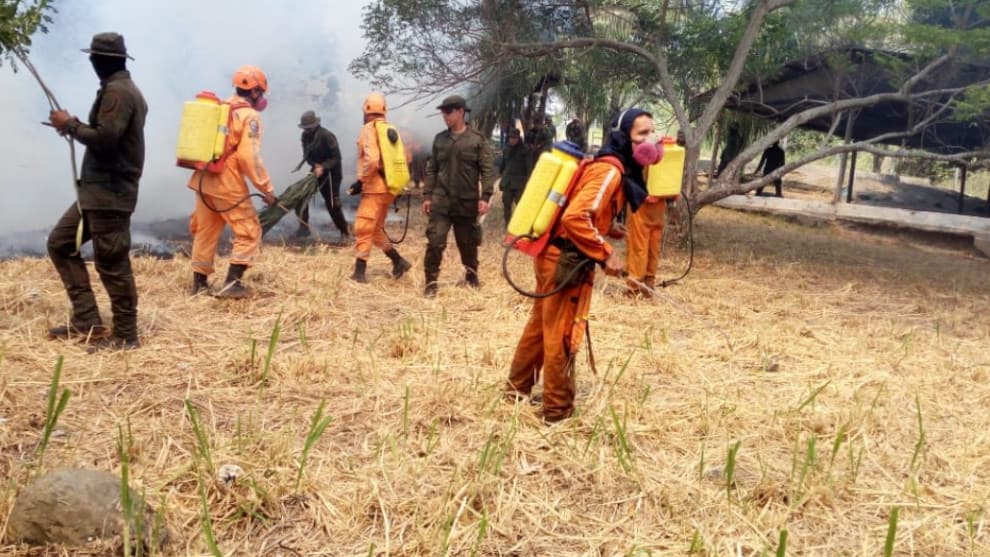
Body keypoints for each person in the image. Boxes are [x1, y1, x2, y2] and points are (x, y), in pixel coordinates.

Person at [506, 108, 655, 423]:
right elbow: (576, 217)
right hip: (564, 260)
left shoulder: (613, 168)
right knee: (562, 332)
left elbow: (583, 209)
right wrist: (605, 252)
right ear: (624, 136)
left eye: (651, 133)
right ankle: (557, 411)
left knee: (540, 326)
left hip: (554, 255)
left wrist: (607, 227)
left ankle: (515, 390)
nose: (650, 141)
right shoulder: (611, 170)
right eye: (642, 134)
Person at [47, 32, 148, 352]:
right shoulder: (120, 90)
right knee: (61, 244)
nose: (91, 62)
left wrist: (71, 125)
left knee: (112, 262)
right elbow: (105, 135)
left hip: (110, 194)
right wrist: (72, 125)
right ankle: (87, 317)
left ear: (101, 61)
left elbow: (106, 139)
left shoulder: (118, 92)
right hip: (96, 193)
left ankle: (126, 334)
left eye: (94, 58)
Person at [187, 65, 276, 298]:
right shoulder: (250, 116)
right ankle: (232, 284)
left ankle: (199, 284)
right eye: (261, 92)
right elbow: (249, 157)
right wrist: (266, 188)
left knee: (206, 231)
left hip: (203, 178)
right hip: (226, 181)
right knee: (249, 230)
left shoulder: (219, 107)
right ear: (255, 91)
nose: (262, 97)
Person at [422, 95, 495, 297]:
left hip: (466, 202)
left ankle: (471, 275)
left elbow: (488, 170)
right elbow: (432, 170)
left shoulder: (477, 140)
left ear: (461, 111)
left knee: (468, 244)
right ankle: (430, 282)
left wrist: (485, 197)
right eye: (443, 112)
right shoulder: (440, 140)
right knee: (435, 242)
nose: (445, 116)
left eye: (449, 111)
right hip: (441, 201)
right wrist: (428, 195)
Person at [350, 92, 413, 283]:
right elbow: (406, 158)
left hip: (374, 188)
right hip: (390, 188)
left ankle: (360, 272)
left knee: (363, 227)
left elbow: (372, 159)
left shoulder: (369, 129)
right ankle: (398, 261)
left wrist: (361, 180)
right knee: (375, 228)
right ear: (384, 110)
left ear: (366, 110)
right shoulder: (390, 129)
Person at [625, 130, 686, 297]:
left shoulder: (643, 152)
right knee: (653, 246)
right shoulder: (668, 150)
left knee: (639, 246)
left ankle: (634, 287)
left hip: (642, 204)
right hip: (660, 205)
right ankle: (649, 285)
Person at [296, 110, 349, 239]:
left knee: (332, 203)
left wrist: (323, 167)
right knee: (300, 197)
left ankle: (344, 231)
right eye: (305, 128)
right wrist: (315, 166)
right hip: (316, 170)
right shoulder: (304, 137)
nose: (306, 131)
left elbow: (336, 158)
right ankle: (304, 228)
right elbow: (306, 156)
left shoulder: (327, 135)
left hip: (332, 172)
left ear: (315, 125)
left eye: (309, 128)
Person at [498, 128, 533, 227]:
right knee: (506, 203)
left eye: (514, 138)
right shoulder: (506, 149)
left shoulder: (525, 150)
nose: (512, 140)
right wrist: (500, 173)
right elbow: (503, 164)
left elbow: (529, 167)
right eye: (510, 138)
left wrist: (529, 180)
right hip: (508, 181)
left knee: (520, 204)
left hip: (519, 182)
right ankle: (507, 223)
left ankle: (521, 224)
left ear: (518, 138)